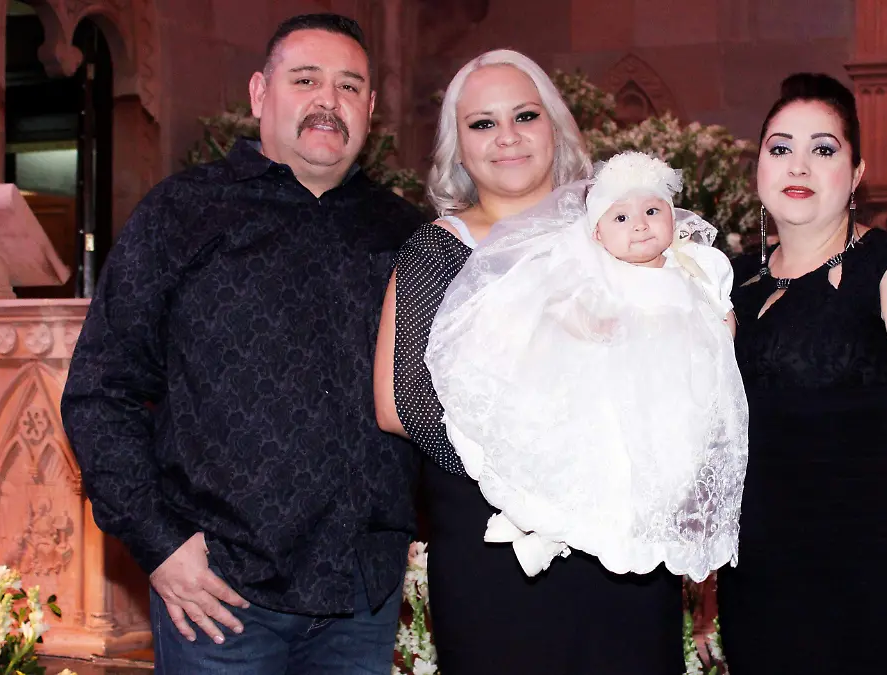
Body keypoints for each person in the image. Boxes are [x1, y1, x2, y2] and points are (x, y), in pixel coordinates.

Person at [61, 14, 426, 675]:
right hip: (221, 594)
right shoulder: (182, 212)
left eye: (349, 86)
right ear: (261, 93)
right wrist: (159, 542)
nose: (328, 100)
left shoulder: (404, 232)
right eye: (305, 80)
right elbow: (101, 390)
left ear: (370, 108)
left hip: (361, 597)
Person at [374, 51, 684, 675]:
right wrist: (537, 471)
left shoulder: (620, 228)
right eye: (482, 123)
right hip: (497, 549)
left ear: (556, 128)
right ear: (458, 147)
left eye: (524, 116)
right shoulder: (437, 251)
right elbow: (401, 404)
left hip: (622, 549)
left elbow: (685, 360)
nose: (507, 137)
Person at [716, 72, 887, 674]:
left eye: (823, 149)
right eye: (780, 148)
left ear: (856, 174)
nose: (798, 166)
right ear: (759, 169)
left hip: (872, 578)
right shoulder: (730, 280)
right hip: (760, 579)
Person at [423, 150, 747, 582]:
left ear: (673, 216)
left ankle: (589, 531)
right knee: (596, 452)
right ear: (597, 233)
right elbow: (560, 308)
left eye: (652, 211)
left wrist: (722, 330)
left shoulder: (695, 267)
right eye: (621, 218)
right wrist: (592, 325)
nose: (640, 225)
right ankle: (539, 525)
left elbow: (720, 314)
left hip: (672, 394)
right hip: (615, 389)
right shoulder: (599, 271)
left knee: (665, 470)